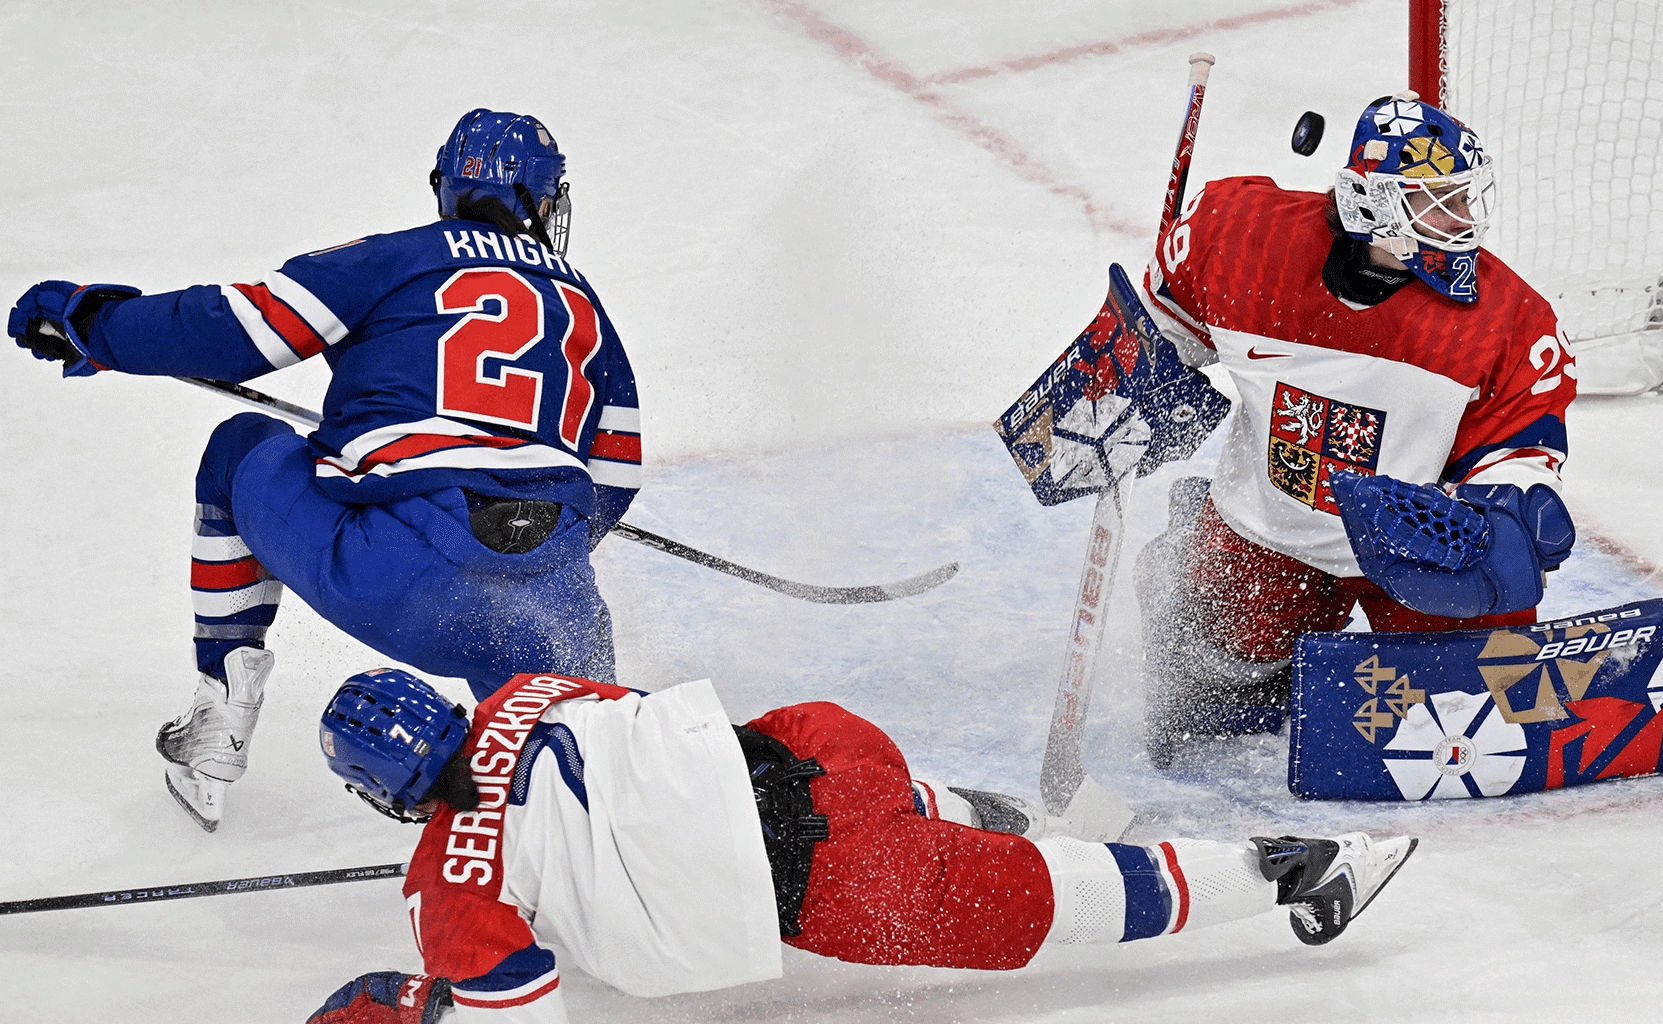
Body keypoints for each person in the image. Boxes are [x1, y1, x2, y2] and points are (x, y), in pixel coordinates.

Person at [5, 109, 645, 831]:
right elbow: (615, 475)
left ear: (446, 187)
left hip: (403, 579)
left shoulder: (400, 257)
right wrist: (519, 538)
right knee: (586, 781)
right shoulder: (584, 302)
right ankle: (542, 788)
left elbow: (238, 330)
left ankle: (220, 719)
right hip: (555, 609)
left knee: (239, 447)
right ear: (540, 199)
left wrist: (95, 324)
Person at [305, 667, 1417, 1024]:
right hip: (821, 741)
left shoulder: (445, 886)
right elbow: (647, 736)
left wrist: (421, 1003)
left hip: (840, 879)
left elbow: (519, 1009)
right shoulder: (523, 691)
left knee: (1057, 902)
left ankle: (1290, 869)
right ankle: (954, 806)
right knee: (850, 791)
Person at [1133, 93, 1577, 766]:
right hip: (1270, 529)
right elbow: (1167, 321)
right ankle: (1192, 549)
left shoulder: (1511, 318)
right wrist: (1131, 371)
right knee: (1217, 690)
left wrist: (1511, 506)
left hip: (1417, 543)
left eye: (1464, 197)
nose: (1464, 218)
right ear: (1376, 207)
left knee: (1467, 713)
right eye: (1440, 202)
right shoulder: (1243, 240)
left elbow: (1518, 444)